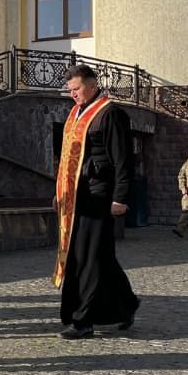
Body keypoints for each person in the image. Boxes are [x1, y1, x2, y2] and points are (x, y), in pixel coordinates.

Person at [51, 64, 139, 340]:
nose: (73, 94)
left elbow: (123, 160)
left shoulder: (110, 113)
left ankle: (83, 320)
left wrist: (120, 197)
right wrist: (60, 192)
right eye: (70, 90)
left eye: (76, 89)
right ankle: (126, 304)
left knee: (87, 257)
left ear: (92, 84)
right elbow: (66, 158)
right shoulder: (75, 114)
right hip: (77, 196)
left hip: (99, 194)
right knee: (98, 256)